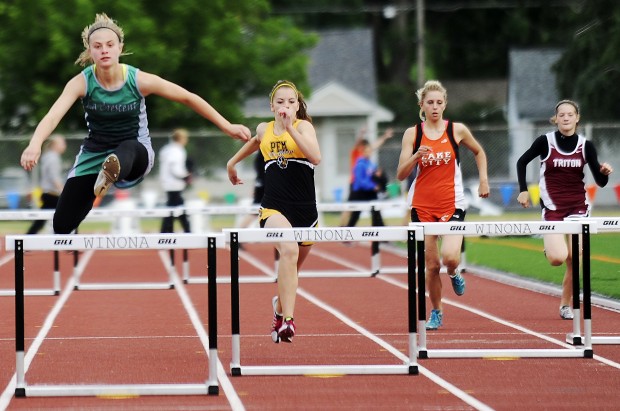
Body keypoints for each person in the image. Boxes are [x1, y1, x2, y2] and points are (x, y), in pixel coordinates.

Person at [19, 13, 250, 234]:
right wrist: (35, 143)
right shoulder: (81, 83)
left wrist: (226, 125)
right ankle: (104, 176)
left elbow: (187, 97)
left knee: (125, 149)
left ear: (120, 47)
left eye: (110, 45)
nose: (104, 50)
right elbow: (52, 116)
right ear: (90, 51)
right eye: (97, 46)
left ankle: (112, 171)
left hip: (135, 153)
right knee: (62, 225)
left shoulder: (138, 80)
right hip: (95, 154)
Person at [227, 80, 321, 343]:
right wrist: (232, 162)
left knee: (292, 269)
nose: (285, 106)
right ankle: (287, 322)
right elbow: (257, 141)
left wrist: (291, 127)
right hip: (273, 207)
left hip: (306, 211)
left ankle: (280, 307)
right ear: (271, 106)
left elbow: (315, 157)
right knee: (288, 251)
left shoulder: (304, 127)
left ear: (298, 105)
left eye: (291, 102)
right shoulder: (264, 128)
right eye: (280, 102)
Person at [396, 80, 490, 330]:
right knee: (431, 265)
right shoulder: (412, 134)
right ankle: (436, 311)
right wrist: (416, 156)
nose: (435, 107)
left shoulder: (456, 130)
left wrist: (483, 180)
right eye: (430, 103)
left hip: (452, 203)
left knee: (449, 258)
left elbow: (478, 152)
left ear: (445, 104)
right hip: (423, 206)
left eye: (439, 102)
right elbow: (400, 174)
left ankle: (454, 273)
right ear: (422, 105)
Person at [516, 100, 613, 320]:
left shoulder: (586, 145)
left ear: (577, 118)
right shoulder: (545, 142)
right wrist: (523, 190)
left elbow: (601, 182)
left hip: (578, 206)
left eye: (570, 114)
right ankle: (551, 245)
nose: (566, 118)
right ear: (556, 118)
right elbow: (522, 162)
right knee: (558, 258)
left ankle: (565, 305)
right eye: (562, 115)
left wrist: (604, 172)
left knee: (575, 259)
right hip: (552, 206)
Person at [339, 127, 394, 225]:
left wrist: (385, 136)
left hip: (367, 187)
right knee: (350, 209)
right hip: (356, 185)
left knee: (371, 210)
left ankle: (379, 230)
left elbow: (374, 146)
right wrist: (361, 134)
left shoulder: (368, 159)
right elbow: (358, 144)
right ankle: (342, 228)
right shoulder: (357, 154)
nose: (369, 149)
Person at [26, 135, 67, 234]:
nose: (64, 146)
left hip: (48, 193)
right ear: (55, 145)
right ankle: (71, 243)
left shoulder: (47, 156)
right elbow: (54, 177)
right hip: (53, 194)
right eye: (62, 143)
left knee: (41, 220)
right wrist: (63, 191)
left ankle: (27, 238)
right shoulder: (53, 158)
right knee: (70, 215)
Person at [345, 141, 385, 228]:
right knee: (355, 214)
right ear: (363, 152)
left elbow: (374, 177)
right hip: (359, 192)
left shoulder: (371, 164)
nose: (368, 153)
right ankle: (347, 234)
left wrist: (379, 179)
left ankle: (381, 234)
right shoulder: (359, 164)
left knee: (376, 212)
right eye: (366, 151)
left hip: (370, 192)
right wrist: (372, 186)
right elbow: (360, 181)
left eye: (370, 151)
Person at [159, 128, 193, 233]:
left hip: (168, 183)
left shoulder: (166, 149)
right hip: (174, 184)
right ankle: (185, 233)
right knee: (176, 210)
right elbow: (175, 168)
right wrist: (185, 175)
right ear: (181, 138)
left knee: (173, 210)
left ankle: (170, 233)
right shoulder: (177, 150)